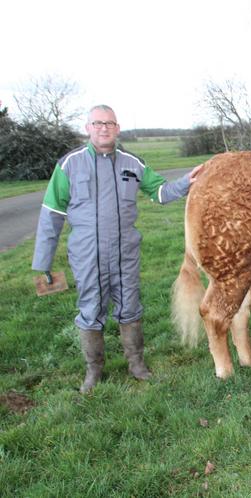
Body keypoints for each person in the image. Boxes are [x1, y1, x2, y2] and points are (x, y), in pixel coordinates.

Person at [32, 104, 202, 393]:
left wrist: (187, 182)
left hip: (125, 253)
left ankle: (137, 365)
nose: (103, 128)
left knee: (130, 306)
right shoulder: (69, 164)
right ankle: (93, 371)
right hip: (87, 255)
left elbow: (159, 192)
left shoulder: (131, 162)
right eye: (97, 123)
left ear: (117, 128)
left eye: (109, 123)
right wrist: (43, 262)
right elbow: (51, 213)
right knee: (90, 308)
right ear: (87, 128)